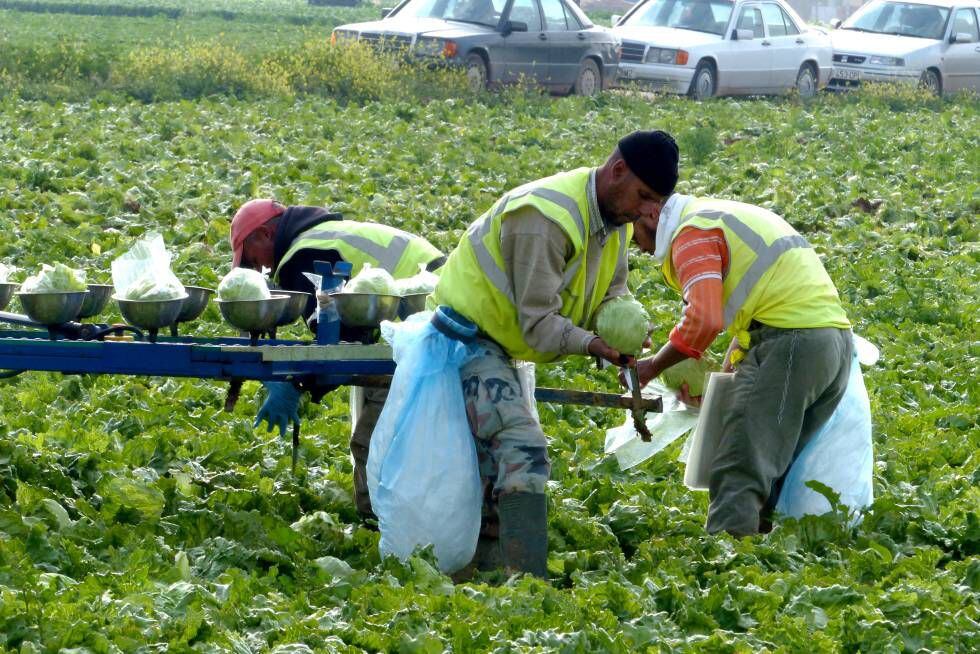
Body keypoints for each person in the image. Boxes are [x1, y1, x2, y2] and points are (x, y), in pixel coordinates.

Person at [430, 130, 680, 576]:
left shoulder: (615, 220)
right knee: (522, 447)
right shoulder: (545, 218)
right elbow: (540, 324)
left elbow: (613, 289)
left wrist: (622, 326)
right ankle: (527, 583)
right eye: (644, 196)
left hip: (506, 341)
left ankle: (481, 573)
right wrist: (592, 344)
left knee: (493, 458)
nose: (647, 213)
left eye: (655, 203)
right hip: (466, 334)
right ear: (617, 171)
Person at [629, 193, 853, 537]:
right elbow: (753, 312)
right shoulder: (718, 214)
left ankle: (727, 567)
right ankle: (760, 565)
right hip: (831, 345)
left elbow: (704, 318)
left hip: (790, 345)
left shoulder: (691, 233)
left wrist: (653, 367)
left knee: (742, 464)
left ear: (651, 212)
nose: (637, 247)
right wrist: (721, 383)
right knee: (773, 467)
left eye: (633, 232)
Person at [229, 199, 445, 522]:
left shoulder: (297, 258)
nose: (260, 269)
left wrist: (298, 385)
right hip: (438, 296)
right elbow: (352, 339)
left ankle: (386, 530)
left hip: (426, 317)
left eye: (251, 257)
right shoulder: (322, 235)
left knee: (375, 446)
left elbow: (337, 348)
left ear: (265, 234)